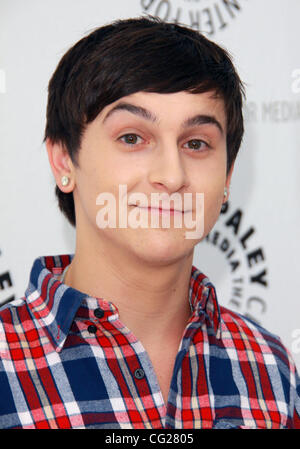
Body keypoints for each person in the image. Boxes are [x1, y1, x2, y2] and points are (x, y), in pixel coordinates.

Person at [0, 16, 299, 430]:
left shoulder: (270, 369)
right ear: (63, 160)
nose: (171, 176)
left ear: (228, 177)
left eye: (196, 144)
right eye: (132, 138)